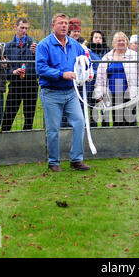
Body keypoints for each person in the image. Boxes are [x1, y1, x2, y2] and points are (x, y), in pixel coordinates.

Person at [36, 12, 91, 172]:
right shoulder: (44, 45)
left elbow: (85, 61)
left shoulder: (75, 45)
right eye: (60, 23)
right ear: (53, 26)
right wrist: (61, 74)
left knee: (80, 122)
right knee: (53, 129)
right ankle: (54, 162)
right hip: (51, 93)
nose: (64, 26)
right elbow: (40, 69)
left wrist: (86, 73)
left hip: (71, 92)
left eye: (66, 23)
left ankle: (76, 160)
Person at [94, 31, 139, 127]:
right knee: (117, 121)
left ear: (127, 43)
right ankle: (119, 141)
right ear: (114, 43)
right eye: (118, 41)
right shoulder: (107, 57)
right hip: (113, 95)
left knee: (130, 121)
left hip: (130, 94)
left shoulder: (134, 55)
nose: (121, 42)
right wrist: (99, 92)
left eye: (123, 40)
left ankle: (131, 141)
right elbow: (100, 76)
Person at [1, 17, 38, 131]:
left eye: (26, 28)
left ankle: (27, 142)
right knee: (8, 116)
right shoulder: (8, 46)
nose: (24, 31)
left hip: (31, 84)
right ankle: (4, 141)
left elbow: (41, 65)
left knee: (29, 117)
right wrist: (12, 71)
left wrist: (36, 54)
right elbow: (3, 68)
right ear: (15, 27)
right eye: (22, 27)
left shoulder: (35, 45)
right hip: (15, 84)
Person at [86, 30, 109, 127]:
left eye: (100, 38)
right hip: (92, 85)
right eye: (96, 38)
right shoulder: (88, 52)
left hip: (104, 84)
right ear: (92, 39)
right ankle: (93, 128)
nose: (98, 40)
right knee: (93, 109)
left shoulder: (107, 51)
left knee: (105, 109)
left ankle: (105, 129)